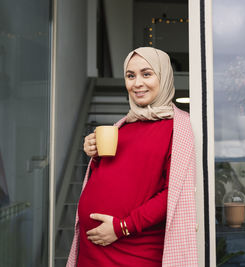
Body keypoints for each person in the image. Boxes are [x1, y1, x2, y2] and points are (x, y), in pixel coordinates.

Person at [66, 47, 198, 267]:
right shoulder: (124, 125)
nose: (137, 83)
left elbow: (175, 192)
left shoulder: (180, 127)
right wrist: (96, 155)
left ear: (163, 76)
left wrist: (122, 227)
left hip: (135, 251)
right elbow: (119, 173)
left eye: (147, 74)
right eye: (130, 75)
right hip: (92, 251)